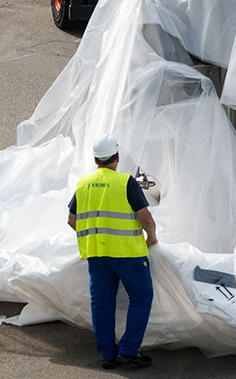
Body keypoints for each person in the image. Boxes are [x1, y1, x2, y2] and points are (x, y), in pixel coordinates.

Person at [68, 135, 158, 369]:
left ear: (95, 160)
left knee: (101, 303)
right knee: (141, 297)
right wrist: (152, 237)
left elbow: (71, 220)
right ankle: (128, 349)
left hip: (97, 254)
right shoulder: (125, 182)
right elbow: (146, 218)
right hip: (128, 254)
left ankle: (108, 354)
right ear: (117, 157)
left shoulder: (84, 183)